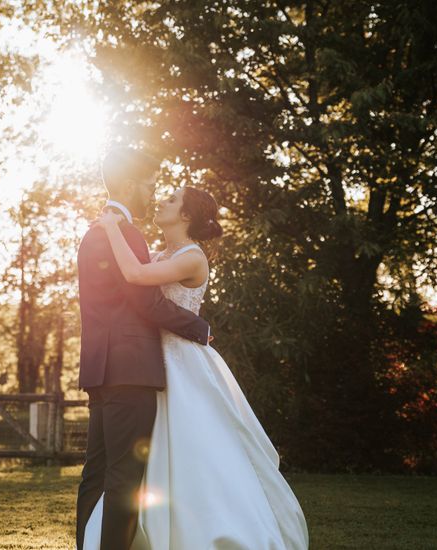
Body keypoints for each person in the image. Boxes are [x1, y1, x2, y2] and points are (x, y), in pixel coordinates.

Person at [82, 182, 310, 550]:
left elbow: (136, 277)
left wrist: (111, 228)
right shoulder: (160, 254)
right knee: (147, 456)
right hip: (150, 365)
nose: (160, 201)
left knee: (194, 450)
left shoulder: (193, 257)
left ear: (186, 215)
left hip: (182, 363)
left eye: (171, 200)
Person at [75, 146, 212, 550]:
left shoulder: (93, 232)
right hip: (131, 370)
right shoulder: (126, 234)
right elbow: (144, 301)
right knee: (124, 480)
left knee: (95, 474)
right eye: (151, 184)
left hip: (100, 369)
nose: (154, 192)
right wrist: (200, 327)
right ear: (132, 184)